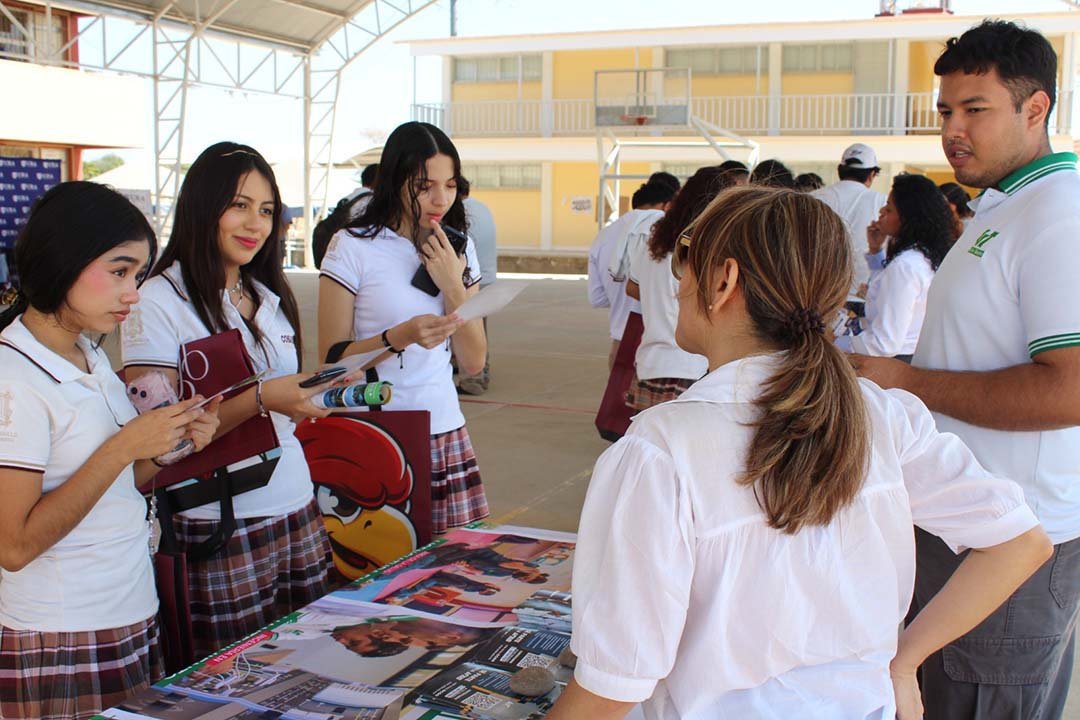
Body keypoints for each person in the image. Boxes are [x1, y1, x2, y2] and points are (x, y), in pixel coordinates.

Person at [546, 185, 1052, 720]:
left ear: (723, 281)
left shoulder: (661, 452)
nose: (678, 283)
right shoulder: (882, 415)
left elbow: (610, 689)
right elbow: (1020, 542)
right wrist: (903, 663)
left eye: (684, 260)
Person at [851, 21, 1080, 719]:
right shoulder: (1002, 207)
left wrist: (906, 382)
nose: (953, 129)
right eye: (946, 110)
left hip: (1010, 547)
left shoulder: (1059, 215)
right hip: (965, 528)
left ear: (1035, 108)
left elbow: (1070, 388)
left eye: (975, 109)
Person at [0, 182, 220, 720]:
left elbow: (116, 481)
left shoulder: (88, 353)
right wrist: (123, 446)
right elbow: (14, 546)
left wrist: (168, 445)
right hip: (63, 635)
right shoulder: (14, 379)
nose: (133, 294)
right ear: (64, 259)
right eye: (119, 271)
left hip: (127, 610)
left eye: (138, 276)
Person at [121, 142, 334, 658]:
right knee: (231, 682)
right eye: (239, 205)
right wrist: (261, 398)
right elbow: (158, 443)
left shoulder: (266, 294)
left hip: (297, 505)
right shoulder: (157, 301)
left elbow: (280, 398)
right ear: (203, 205)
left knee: (311, 670)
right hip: (219, 525)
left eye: (267, 210)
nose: (255, 224)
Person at [318, 121, 489, 535]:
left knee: (448, 567)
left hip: (443, 428)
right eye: (424, 186)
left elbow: (473, 361)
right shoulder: (352, 246)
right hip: (376, 434)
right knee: (380, 565)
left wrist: (453, 285)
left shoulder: (458, 248)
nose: (440, 199)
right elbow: (329, 362)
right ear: (394, 181)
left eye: (450, 185)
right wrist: (399, 337)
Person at [625, 162, 747, 410]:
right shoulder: (708, 250)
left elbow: (632, 287)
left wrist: (658, 299)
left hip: (652, 364)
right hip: (693, 368)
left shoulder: (655, 243)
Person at [835, 173, 953, 360]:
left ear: (907, 218)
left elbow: (884, 343)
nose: (881, 211)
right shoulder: (922, 255)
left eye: (889, 209)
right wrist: (875, 251)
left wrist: (835, 342)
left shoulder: (905, 266)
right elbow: (886, 291)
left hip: (894, 359)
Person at [588, 179, 678, 369]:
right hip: (661, 343)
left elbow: (597, 298)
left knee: (620, 388)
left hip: (620, 341)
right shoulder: (667, 232)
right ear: (667, 205)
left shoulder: (603, 235)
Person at [811, 143, 887, 289]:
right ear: (872, 175)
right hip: (862, 293)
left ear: (840, 170)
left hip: (817, 293)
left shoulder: (812, 198)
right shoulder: (882, 203)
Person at [457, 177, 497, 395]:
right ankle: (481, 372)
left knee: (467, 329)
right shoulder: (482, 208)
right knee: (479, 329)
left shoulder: (459, 213)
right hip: (488, 278)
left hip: (471, 282)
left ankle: (473, 380)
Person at [312, 162, 379, 269]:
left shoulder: (348, 199)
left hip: (338, 257)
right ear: (378, 180)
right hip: (354, 261)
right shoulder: (370, 202)